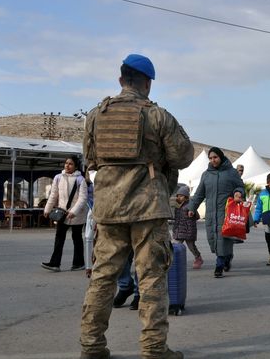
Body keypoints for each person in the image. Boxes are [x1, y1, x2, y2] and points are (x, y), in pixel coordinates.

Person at [80, 53, 193, 359]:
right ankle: (155, 350)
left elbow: (89, 158)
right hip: (148, 208)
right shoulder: (157, 115)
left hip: (108, 208)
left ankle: (92, 347)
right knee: (152, 278)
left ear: (121, 81)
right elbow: (183, 156)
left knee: (103, 277)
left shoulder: (95, 114)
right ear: (147, 84)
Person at [188, 147, 244, 279]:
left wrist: (238, 192)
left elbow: (240, 186)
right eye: (211, 158)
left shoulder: (231, 172)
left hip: (226, 213)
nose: (213, 160)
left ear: (221, 157)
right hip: (211, 214)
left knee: (222, 238)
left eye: (215, 157)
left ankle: (219, 265)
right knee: (213, 240)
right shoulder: (206, 174)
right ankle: (227, 256)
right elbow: (199, 194)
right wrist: (192, 208)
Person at [41, 155, 88, 272]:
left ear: (76, 166)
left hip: (77, 214)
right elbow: (53, 195)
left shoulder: (80, 180)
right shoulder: (58, 178)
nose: (67, 165)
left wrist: (74, 211)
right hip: (62, 213)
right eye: (66, 163)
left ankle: (78, 263)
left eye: (70, 164)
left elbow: (83, 198)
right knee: (59, 238)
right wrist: (47, 209)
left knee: (77, 238)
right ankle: (55, 263)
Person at [173, 185, 203, 269]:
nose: (179, 197)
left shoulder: (190, 205)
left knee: (191, 247)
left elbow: (197, 216)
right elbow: (174, 217)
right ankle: (174, 261)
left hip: (189, 231)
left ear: (186, 197)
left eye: (181, 196)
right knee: (175, 246)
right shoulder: (176, 206)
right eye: (178, 195)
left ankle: (198, 258)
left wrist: (192, 213)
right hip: (179, 230)